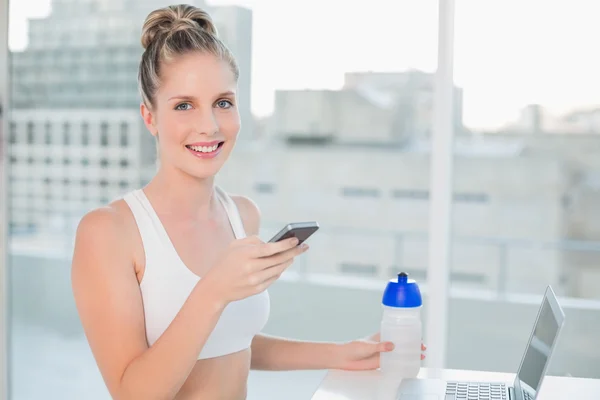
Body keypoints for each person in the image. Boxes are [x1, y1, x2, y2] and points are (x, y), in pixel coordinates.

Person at [71, 4, 425, 400]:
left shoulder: (242, 214)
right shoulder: (109, 232)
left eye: (223, 102)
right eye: (184, 105)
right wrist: (214, 290)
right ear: (150, 118)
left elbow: (229, 343)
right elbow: (133, 393)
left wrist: (340, 354)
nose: (210, 125)